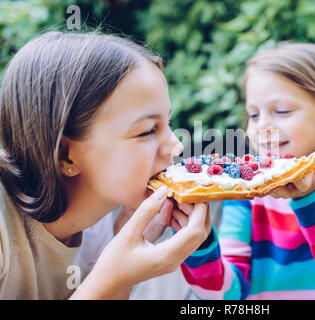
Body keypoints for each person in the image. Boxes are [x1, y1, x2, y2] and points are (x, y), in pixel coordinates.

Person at [0, 31, 211, 299]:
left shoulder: (95, 227)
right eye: (147, 130)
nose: (176, 146)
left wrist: (123, 243)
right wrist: (109, 278)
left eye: (167, 123)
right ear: (67, 155)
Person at [175, 43, 315, 300]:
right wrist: (198, 242)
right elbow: (225, 297)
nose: (263, 126)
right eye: (253, 115)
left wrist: (311, 199)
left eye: (282, 111)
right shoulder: (244, 188)